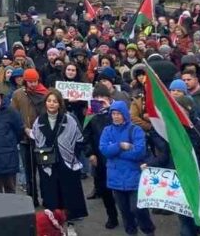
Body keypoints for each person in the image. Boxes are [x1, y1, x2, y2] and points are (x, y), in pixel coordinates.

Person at [31, 89, 88, 229]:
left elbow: (79, 140)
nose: (51, 104)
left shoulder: (69, 119)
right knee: (52, 196)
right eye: (49, 101)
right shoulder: (39, 121)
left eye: (54, 101)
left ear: (59, 103)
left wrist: (70, 153)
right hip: (48, 163)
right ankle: (55, 226)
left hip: (67, 162)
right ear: (45, 103)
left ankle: (70, 224)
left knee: (69, 195)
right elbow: (36, 140)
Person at [99, 101, 153, 235]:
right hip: (115, 177)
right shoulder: (107, 130)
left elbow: (139, 152)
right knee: (124, 211)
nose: (116, 117)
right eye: (113, 114)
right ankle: (131, 232)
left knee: (138, 208)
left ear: (125, 114)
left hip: (134, 175)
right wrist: (120, 145)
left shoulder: (135, 130)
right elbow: (104, 150)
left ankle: (148, 230)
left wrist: (116, 153)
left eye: (119, 114)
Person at [83, 86, 119, 229]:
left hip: (118, 157)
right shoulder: (92, 115)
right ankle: (112, 216)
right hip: (100, 158)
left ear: (109, 98)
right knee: (105, 189)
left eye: (101, 98)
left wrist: (109, 111)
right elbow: (86, 136)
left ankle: (129, 215)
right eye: (96, 98)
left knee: (123, 189)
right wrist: (90, 153)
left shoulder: (116, 112)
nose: (98, 101)